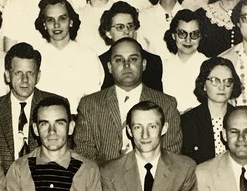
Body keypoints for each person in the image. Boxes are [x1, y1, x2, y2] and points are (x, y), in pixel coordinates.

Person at [76, 37, 182, 165]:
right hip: (103, 176)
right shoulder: (90, 104)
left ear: (143, 64)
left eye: (133, 59)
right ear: (109, 67)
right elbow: (84, 154)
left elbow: (171, 153)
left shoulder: (166, 104)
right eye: (119, 60)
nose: (126, 65)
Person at [0, 43, 59, 172]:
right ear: (7, 75)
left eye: (30, 73)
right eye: (18, 73)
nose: (25, 80)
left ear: (38, 76)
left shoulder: (56, 106)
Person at [32, 0, 104, 110]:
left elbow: (94, 100)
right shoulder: (36, 57)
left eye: (62, 18)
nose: (56, 25)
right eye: (50, 20)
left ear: (71, 22)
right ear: (44, 24)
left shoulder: (88, 56)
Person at [180, 57, 239, 163]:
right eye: (215, 80)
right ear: (204, 85)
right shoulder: (188, 121)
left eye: (228, 81)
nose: (222, 87)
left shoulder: (241, 118)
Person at [97, 1, 163, 91]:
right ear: (108, 33)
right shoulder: (100, 63)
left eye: (130, 26)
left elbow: (157, 97)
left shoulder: (153, 61)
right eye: (120, 27)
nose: (127, 31)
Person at [160, 9, 207, 113]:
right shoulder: (162, 65)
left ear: (200, 37)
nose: (188, 40)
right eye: (182, 33)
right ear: (173, 36)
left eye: (194, 34)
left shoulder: (209, 66)